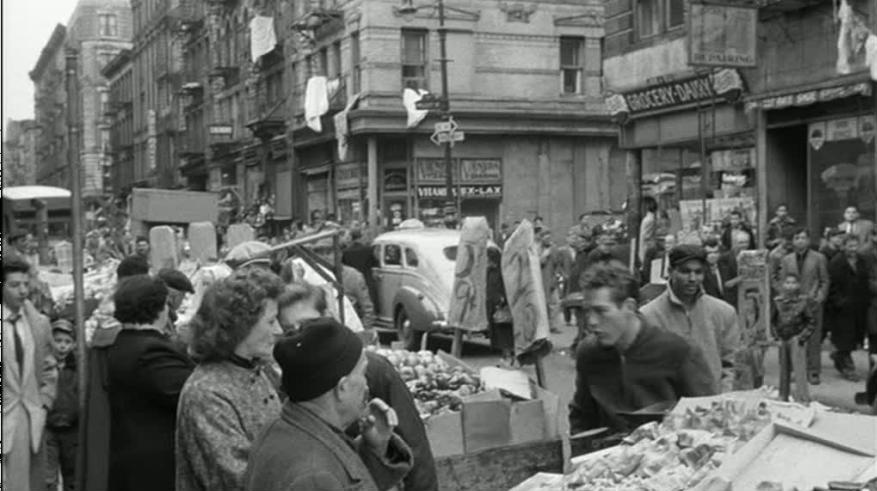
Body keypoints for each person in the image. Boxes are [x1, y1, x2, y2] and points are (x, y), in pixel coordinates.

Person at [276, 284, 438, 491]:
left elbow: (416, 450)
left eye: (308, 324)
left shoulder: (373, 370)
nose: (302, 336)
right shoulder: (290, 385)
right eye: (291, 330)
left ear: (328, 316)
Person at [246, 318, 413, 491]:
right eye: (363, 373)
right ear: (343, 387)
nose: (366, 385)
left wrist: (373, 448)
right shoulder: (315, 478)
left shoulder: (283, 428)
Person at [568, 264, 714, 434]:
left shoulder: (677, 350)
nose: (591, 321)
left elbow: (706, 416)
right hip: (608, 455)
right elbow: (582, 415)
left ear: (629, 307)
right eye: (587, 311)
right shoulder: (589, 352)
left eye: (601, 311)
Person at [175, 268, 285, 491]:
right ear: (241, 325)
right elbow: (240, 480)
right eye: (271, 321)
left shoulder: (254, 369)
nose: (279, 330)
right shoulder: (208, 393)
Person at [99, 275, 195, 491]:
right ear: (160, 308)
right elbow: (192, 394)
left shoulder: (125, 342)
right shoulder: (150, 352)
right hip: (155, 469)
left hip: (134, 462)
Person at [641, 245, 741, 393]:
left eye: (698, 272)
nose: (692, 279)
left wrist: (723, 398)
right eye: (685, 272)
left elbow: (732, 363)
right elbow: (645, 370)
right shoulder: (649, 315)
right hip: (668, 406)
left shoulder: (724, 312)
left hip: (714, 404)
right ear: (670, 272)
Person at [3, 256, 58, 491]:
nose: (23, 291)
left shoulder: (38, 323)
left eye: (26, 284)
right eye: (15, 285)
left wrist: (44, 402)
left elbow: (49, 366)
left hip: (30, 417)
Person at [779, 228, 829, 385]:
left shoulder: (819, 258)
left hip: (812, 302)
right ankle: (795, 369)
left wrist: (819, 298)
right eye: (796, 237)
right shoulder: (787, 259)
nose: (800, 240)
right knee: (794, 337)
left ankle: (813, 370)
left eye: (803, 237)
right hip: (793, 304)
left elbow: (825, 280)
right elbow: (783, 281)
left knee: (813, 338)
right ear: (793, 241)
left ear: (808, 240)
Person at [826, 234, 870, 381]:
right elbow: (831, 286)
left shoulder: (862, 261)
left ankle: (838, 355)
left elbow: (865, 281)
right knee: (845, 339)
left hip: (859, 306)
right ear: (843, 246)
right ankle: (847, 367)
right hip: (841, 308)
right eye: (850, 246)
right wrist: (840, 302)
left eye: (855, 246)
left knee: (855, 337)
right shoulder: (836, 262)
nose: (853, 249)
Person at [312, 237, 376, 335]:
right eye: (320, 253)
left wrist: (363, 332)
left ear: (339, 254)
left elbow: (367, 309)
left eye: (329, 252)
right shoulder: (312, 277)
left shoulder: (353, 276)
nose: (324, 257)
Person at [771, 272, 816, 402]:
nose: (790, 286)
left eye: (793, 283)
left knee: (799, 369)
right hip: (782, 338)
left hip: (797, 338)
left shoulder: (803, 302)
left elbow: (811, 321)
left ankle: (803, 398)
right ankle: (783, 395)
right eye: (787, 283)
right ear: (783, 285)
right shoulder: (777, 302)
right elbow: (772, 320)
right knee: (783, 369)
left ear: (798, 285)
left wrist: (802, 337)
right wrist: (776, 337)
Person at [45, 318, 79, 491]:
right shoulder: (44, 366)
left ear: (73, 345)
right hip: (49, 427)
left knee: (72, 475)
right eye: (58, 341)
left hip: (71, 429)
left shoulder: (77, 368)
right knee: (48, 476)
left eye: (67, 342)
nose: (62, 346)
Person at [716, 230, 754, 309]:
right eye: (741, 242)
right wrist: (743, 277)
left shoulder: (751, 256)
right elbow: (727, 284)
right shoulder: (724, 258)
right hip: (732, 298)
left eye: (746, 242)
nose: (744, 245)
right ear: (734, 243)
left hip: (748, 297)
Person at [342, 228, 379, 305]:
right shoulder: (369, 250)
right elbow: (375, 263)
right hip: (367, 280)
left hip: (351, 282)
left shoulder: (346, 252)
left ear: (351, 238)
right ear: (361, 237)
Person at [638, 196, 658, 263]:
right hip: (648, 246)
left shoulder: (648, 220)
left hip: (647, 248)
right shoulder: (651, 218)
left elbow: (646, 236)